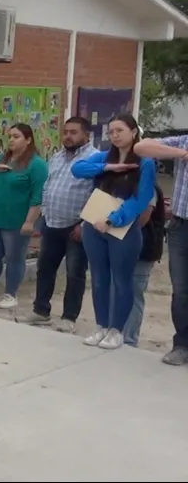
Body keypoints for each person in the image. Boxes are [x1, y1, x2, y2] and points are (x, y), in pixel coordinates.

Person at [70, 114, 155, 350]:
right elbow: (78, 168)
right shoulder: (104, 156)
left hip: (122, 229)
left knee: (121, 280)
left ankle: (117, 330)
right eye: (111, 132)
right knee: (98, 279)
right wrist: (109, 166)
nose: (114, 136)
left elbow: (141, 199)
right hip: (93, 225)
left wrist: (113, 219)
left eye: (119, 131)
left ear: (133, 132)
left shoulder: (145, 162)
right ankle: (101, 326)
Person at [18, 117, 95, 332]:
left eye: (74, 132)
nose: (68, 136)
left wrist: (84, 224)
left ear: (86, 135)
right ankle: (40, 311)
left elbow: (99, 195)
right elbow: (48, 186)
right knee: (45, 269)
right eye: (65, 132)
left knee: (74, 273)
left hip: (76, 226)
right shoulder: (57, 157)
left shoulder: (95, 158)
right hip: (51, 223)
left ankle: (69, 318)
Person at [0, 123, 47, 309]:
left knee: (14, 257)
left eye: (16, 137)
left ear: (28, 139)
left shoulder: (37, 165)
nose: (11, 140)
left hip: (17, 221)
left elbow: (38, 196)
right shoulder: (3, 159)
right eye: (10, 137)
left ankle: (11, 294)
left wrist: (30, 221)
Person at [132, 133, 188, 365]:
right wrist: (182, 154)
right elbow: (141, 147)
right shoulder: (184, 141)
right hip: (180, 225)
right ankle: (182, 345)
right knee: (181, 289)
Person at [125, 184, 165, 347]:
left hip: (143, 248)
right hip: (125, 245)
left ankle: (129, 339)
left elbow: (142, 218)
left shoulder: (148, 187)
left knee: (134, 294)